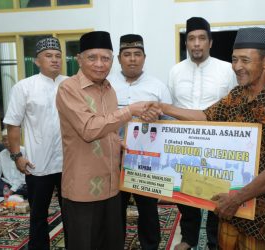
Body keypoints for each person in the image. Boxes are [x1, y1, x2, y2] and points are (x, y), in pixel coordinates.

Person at [156, 27, 265, 249]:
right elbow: (206, 116)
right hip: (229, 209)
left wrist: (237, 198)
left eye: (245, 60)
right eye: (234, 60)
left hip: (259, 216)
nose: (237, 67)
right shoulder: (236, 96)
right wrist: (162, 107)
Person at [56, 31, 159, 250]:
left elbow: (109, 129)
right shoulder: (69, 88)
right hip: (83, 189)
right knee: (85, 244)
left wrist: (123, 144)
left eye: (105, 58)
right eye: (92, 57)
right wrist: (130, 111)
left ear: (112, 60)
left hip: (112, 186)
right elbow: (89, 129)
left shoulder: (109, 90)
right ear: (79, 59)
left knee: (112, 243)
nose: (99, 64)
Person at [168, 17, 237, 250]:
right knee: (186, 195)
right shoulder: (175, 71)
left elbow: (235, 108)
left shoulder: (227, 70)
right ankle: (188, 238)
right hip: (185, 146)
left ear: (210, 42)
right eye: (191, 39)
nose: (196, 44)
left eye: (201, 38)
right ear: (186, 43)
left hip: (217, 147)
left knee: (216, 195)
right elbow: (171, 108)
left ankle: (214, 241)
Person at [108, 34, 172, 250]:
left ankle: (150, 245)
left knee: (148, 208)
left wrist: (157, 117)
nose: (132, 59)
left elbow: (170, 121)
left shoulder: (158, 86)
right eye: (127, 54)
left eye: (137, 54)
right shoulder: (107, 85)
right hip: (113, 156)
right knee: (115, 208)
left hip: (146, 159)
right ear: (119, 58)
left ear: (145, 58)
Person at [3, 37, 67, 250]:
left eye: (58, 56)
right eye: (49, 56)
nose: (55, 60)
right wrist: (16, 156)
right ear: (37, 61)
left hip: (70, 163)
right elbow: (13, 125)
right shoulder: (24, 87)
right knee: (38, 215)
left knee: (73, 213)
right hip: (37, 164)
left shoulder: (70, 85)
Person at [0, 129, 26, 198]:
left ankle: (13, 194)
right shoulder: (1, 154)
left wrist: (12, 190)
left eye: (8, 139)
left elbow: (23, 177)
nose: (6, 142)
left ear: (16, 139)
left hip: (22, 185)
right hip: (7, 185)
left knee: (32, 185)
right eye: (4, 140)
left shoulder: (25, 152)